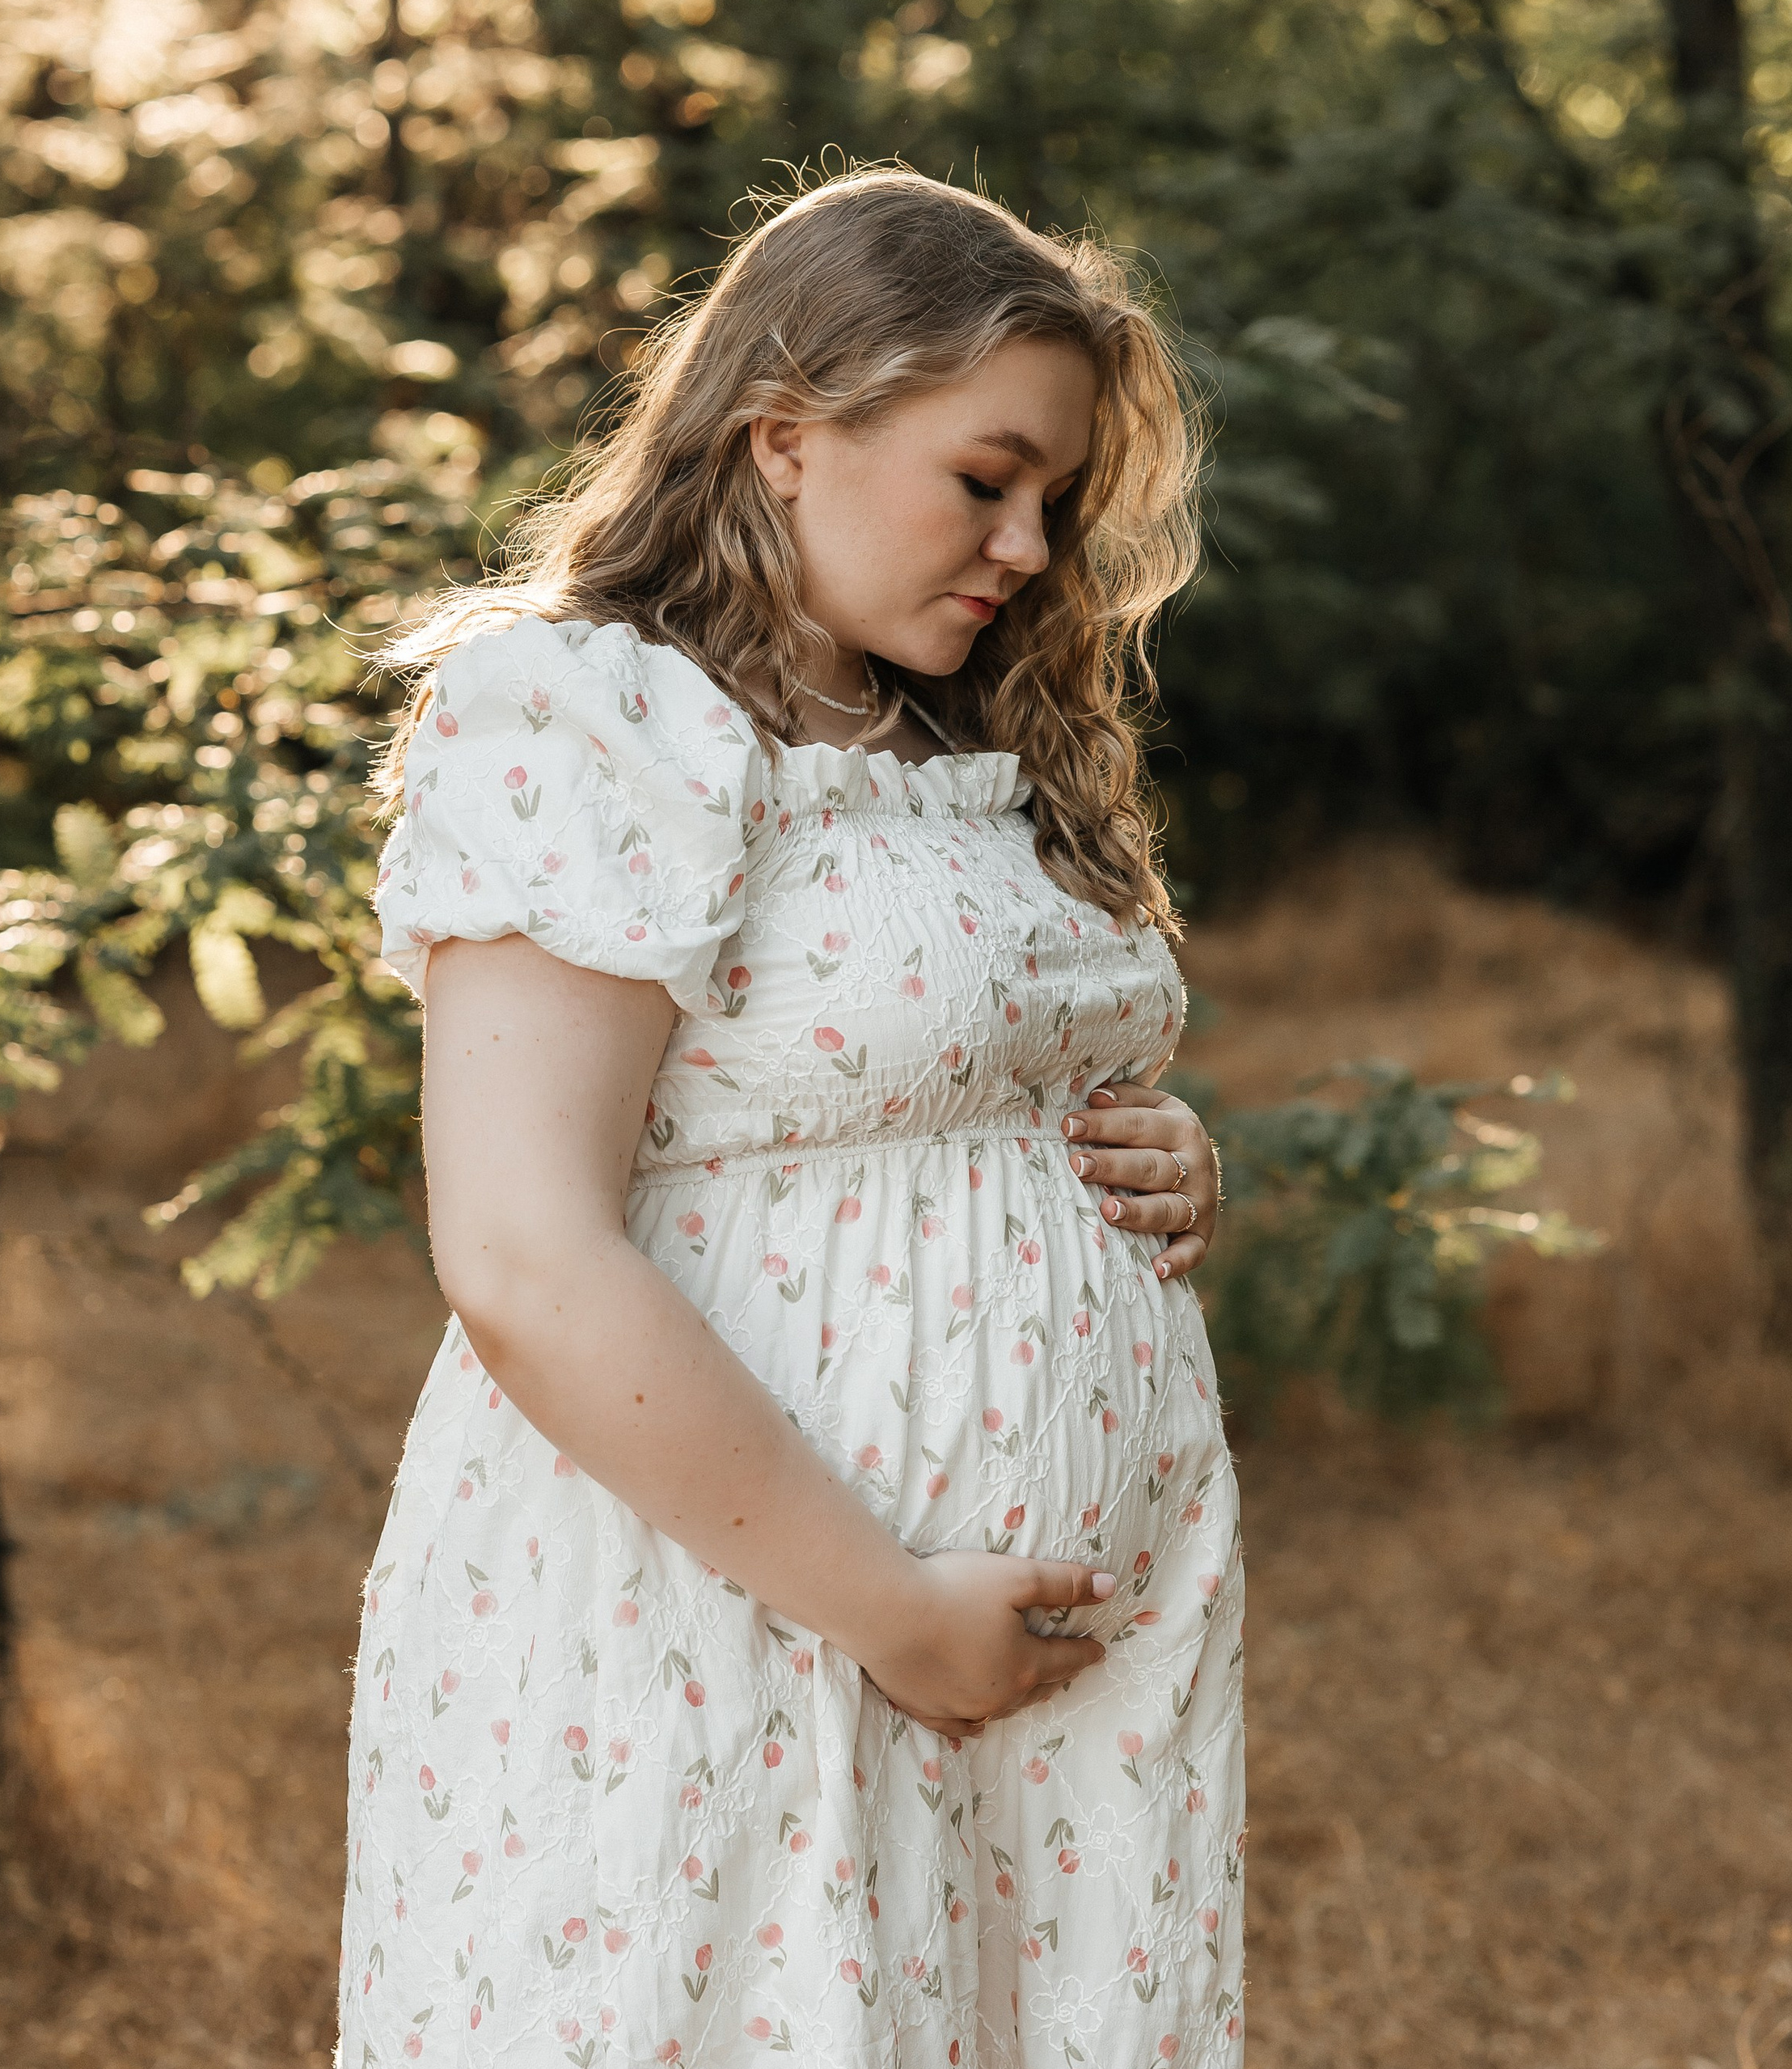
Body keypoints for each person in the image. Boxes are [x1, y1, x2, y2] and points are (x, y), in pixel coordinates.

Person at [340, 166, 1243, 2068]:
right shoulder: (593, 719)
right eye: (984, 476)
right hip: (729, 1621)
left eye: (1057, 501)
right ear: (781, 432)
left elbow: (953, 1108)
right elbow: (519, 1251)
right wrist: (894, 1608)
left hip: (1035, 1688)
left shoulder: (960, 746)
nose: (1023, 542)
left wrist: (1160, 1162)